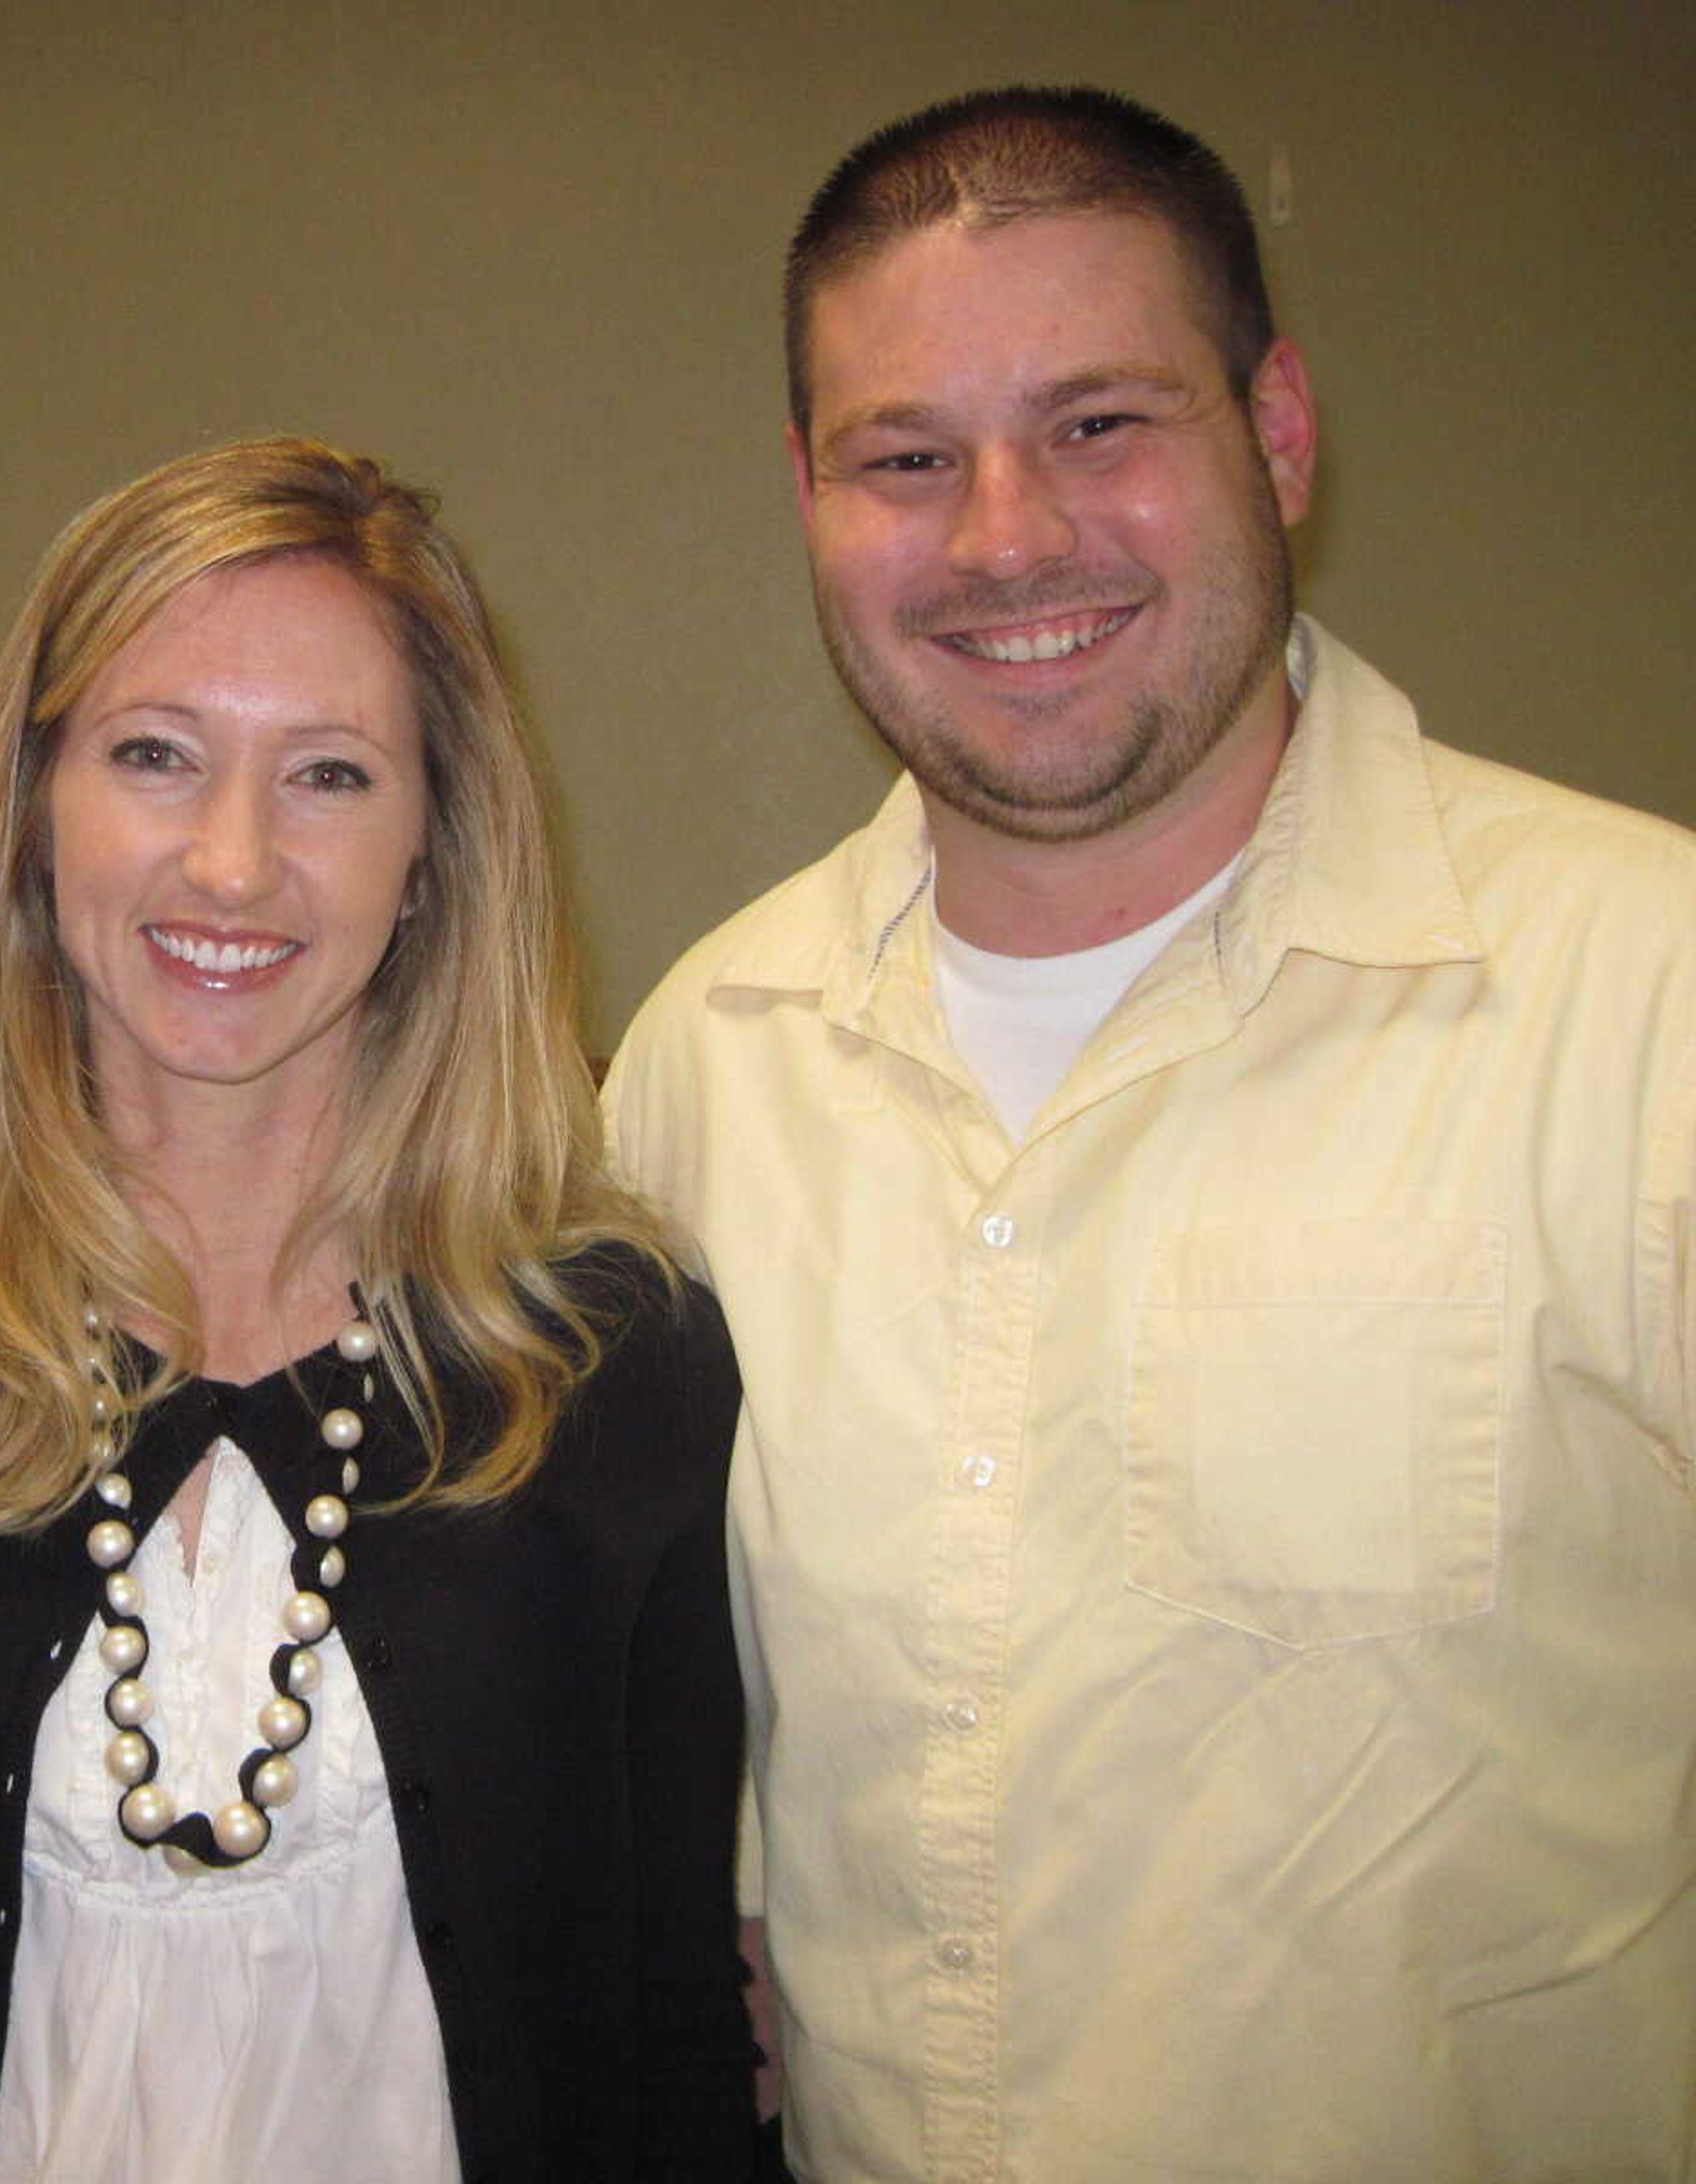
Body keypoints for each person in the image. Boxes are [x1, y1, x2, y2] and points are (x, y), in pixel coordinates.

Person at [607, 84, 1696, 2183]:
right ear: (809, 496)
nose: (1005, 535)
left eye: (1101, 424)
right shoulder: (701, 1070)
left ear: (1277, 435)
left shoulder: (1645, 1005)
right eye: (906, 458)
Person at [0, 435, 758, 2179]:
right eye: (154, 757)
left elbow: (668, 2026)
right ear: (34, 807)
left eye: (330, 777)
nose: (229, 863)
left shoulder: (610, 1360)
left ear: (436, 847)